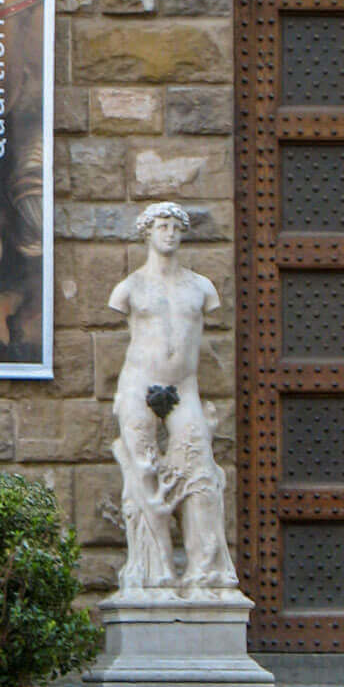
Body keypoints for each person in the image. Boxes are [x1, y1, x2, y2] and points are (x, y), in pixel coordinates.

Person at [108, 201, 239, 595]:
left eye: (175, 227)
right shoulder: (129, 288)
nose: (168, 233)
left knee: (200, 472)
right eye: (161, 226)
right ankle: (152, 572)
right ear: (147, 232)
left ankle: (205, 572)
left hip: (184, 388)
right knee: (142, 474)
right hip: (139, 385)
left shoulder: (201, 288)